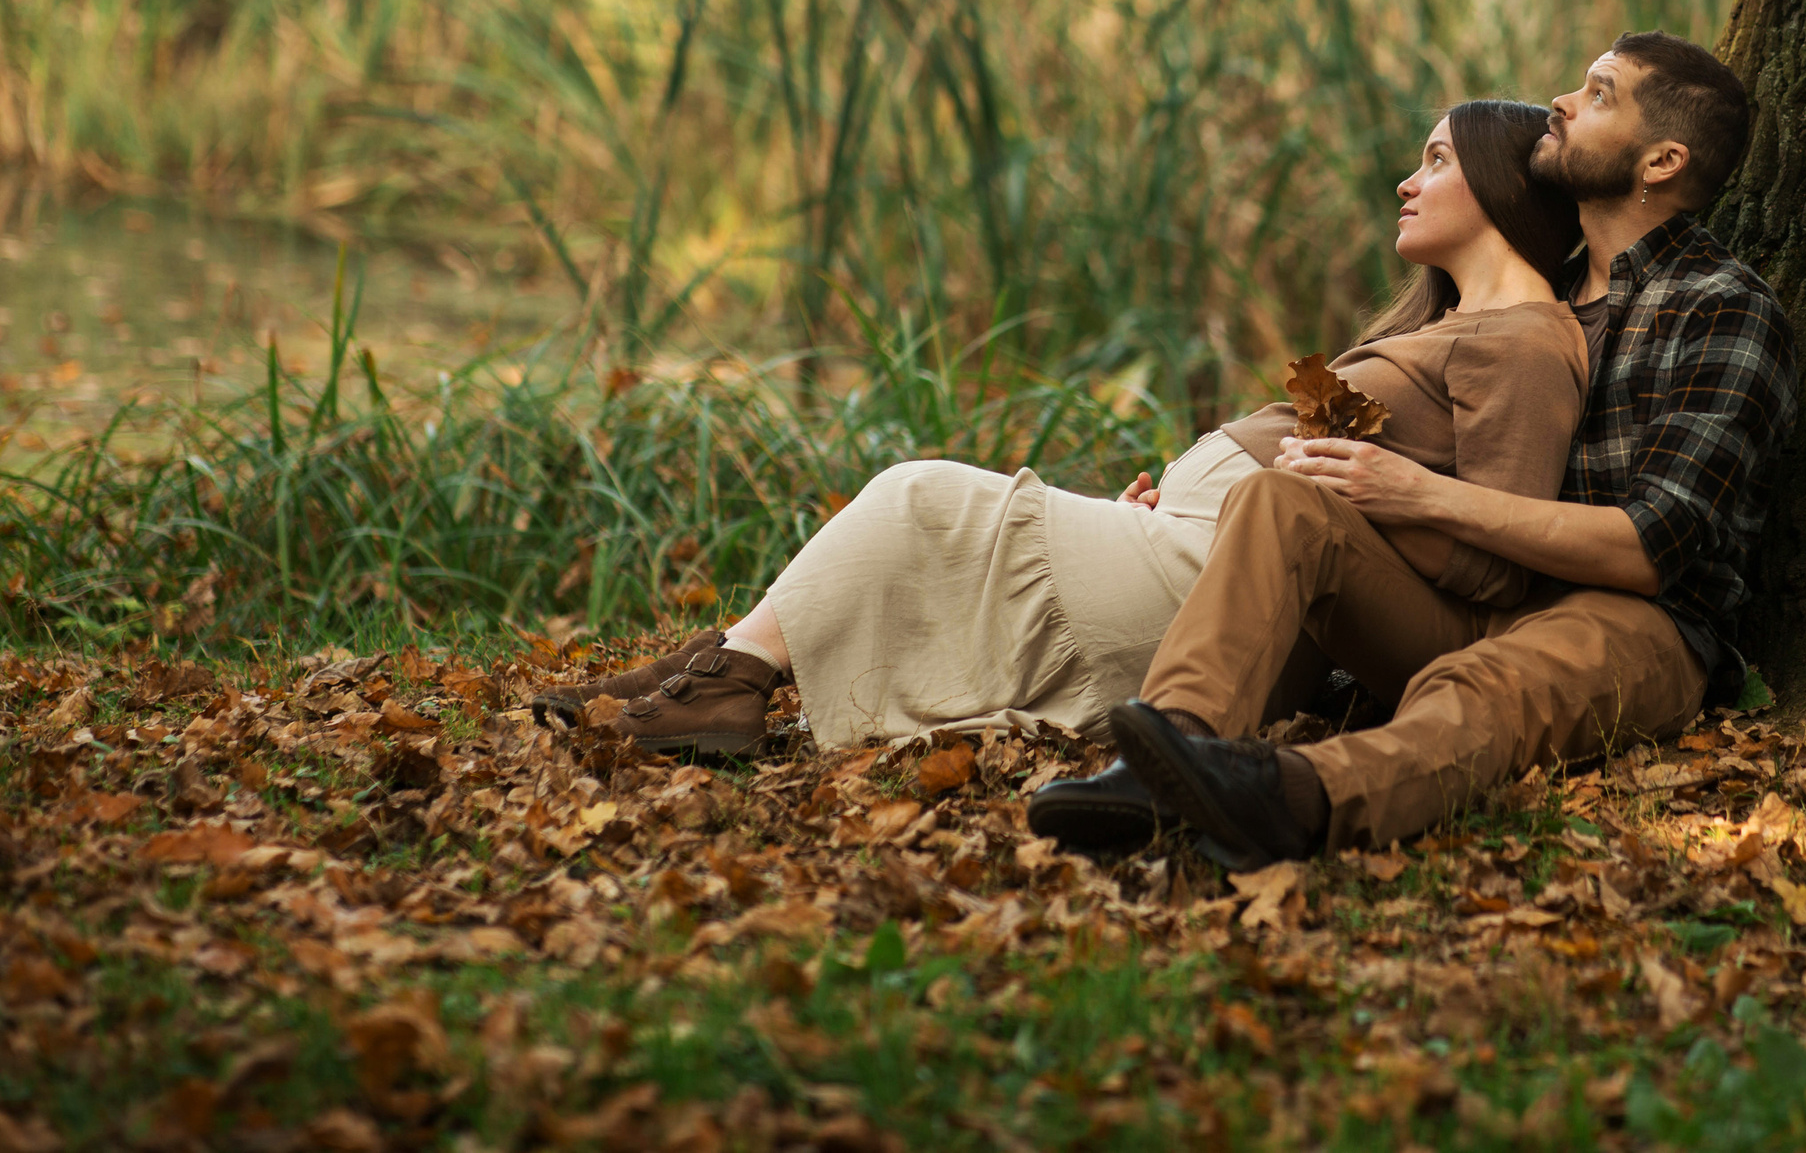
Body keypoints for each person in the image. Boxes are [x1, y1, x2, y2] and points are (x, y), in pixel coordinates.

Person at [533, 100, 1591, 760]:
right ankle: (719, 670)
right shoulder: (1449, 326)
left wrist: (1375, 495)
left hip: (1224, 575)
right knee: (940, 516)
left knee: (922, 496)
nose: (1408, 180)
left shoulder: (1527, 342)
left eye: (1437, 160)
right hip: (1186, 541)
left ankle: (725, 681)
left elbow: (1491, 568)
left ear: (1501, 185)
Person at [1028, 30, 1797, 866]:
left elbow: (1652, 548)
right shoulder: (1538, 294)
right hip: (1475, 598)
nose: (1563, 103)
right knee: (1282, 503)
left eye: (1599, 94)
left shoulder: (1721, 307)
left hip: (1639, 622)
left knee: (1488, 687)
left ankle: (1290, 799)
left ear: (1662, 161)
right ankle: (1170, 752)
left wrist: (1417, 492)